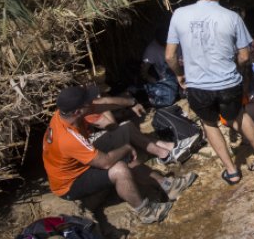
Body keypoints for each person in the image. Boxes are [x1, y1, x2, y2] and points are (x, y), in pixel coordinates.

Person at [165, 0, 254, 186]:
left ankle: (232, 171)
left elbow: (170, 56)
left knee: (209, 123)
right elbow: (244, 56)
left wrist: (179, 75)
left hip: (198, 87)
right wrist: (240, 71)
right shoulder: (232, 17)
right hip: (228, 83)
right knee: (239, 117)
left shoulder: (179, 15)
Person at [42, 85, 197, 224]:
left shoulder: (67, 112)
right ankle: (146, 212)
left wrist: (132, 102)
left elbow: (103, 103)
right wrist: (126, 148)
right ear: (77, 111)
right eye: (88, 102)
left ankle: (168, 185)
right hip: (70, 183)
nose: (93, 102)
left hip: (79, 162)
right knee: (119, 169)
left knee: (124, 140)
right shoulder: (68, 138)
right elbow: (106, 163)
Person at [139, 26, 180, 108]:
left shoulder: (178, 40)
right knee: (168, 99)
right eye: (163, 43)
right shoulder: (151, 50)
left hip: (184, 69)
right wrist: (149, 78)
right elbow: (143, 72)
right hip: (169, 78)